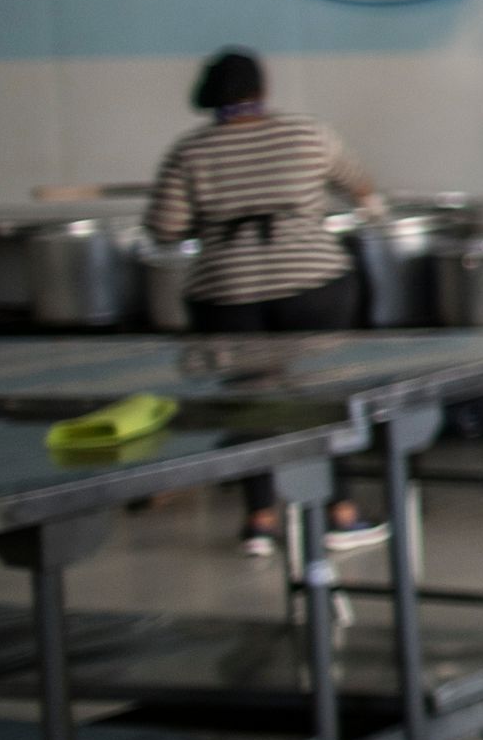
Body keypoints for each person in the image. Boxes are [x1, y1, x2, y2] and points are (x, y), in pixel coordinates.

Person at [145, 48, 384, 552]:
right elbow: (359, 185)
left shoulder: (191, 150)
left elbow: (163, 229)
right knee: (323, 395)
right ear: (261, 89)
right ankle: (339, 510)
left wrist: (213, 218)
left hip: (228, 289)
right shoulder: (305, 132)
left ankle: (261, 520)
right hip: (313, 283)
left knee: (249, 402)